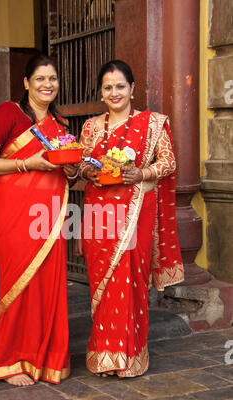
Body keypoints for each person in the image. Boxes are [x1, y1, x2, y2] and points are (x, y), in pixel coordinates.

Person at [0, 51, 78, 386]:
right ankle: (9, 359)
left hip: (49, 218)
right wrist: (27, 163)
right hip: (15, 216)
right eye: (40, 79)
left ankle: (45, 359)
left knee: (47, 287)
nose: (47, 85)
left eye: (52, 79)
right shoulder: (9, 113)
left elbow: (65, 173)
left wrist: (74, 169)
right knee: (19, 285)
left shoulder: (61, 126)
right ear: (26, 83)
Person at [76, 60, 184, 378]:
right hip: (99, 211)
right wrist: (89, 171)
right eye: (108, 87)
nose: (114, 92)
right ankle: (105, 356)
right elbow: (81, 162)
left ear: (132, 89)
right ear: (101, 91)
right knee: (103, 283)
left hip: (136, 208)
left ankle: (130, 357)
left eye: (120, 86)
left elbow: (168, 162)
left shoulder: (153, 124)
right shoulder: (91, 127)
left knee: (131, 281)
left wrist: (141, 172)